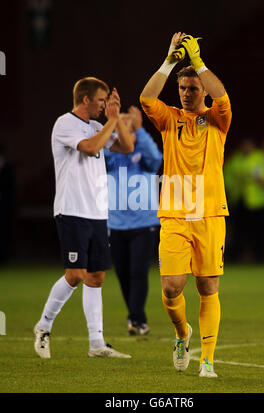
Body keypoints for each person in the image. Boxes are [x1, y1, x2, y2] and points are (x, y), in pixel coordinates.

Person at [140, 32, 232, 377]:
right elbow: (146, 97)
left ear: (203, 91)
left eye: (193, 88)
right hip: (175, 214)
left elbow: (222, 96)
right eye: (182, 88)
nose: (187, 93)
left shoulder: (218, 120)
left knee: (208, 287)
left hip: (209, 213)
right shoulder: (169, 119)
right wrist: (169, 61)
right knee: (170, 287)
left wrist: (198, 63)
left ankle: (207, 358)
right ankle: (182, 334)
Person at [34, 77, 134, 359]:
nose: (104, 106)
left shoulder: (97, 126)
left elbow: (126, 148)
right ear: (85, 99)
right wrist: (113, 122)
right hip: (72, 209)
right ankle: (43, 326)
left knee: (96, 276)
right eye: (101, 100)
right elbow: (90, 148)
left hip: (96, 212)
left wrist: (115, 120)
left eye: (106, 101)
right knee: (75, 274)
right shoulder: (65, 123)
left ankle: (96, 343)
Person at [104, 106, 162, 335]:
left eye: (130, 125)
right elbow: (101, 157)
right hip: (115, 223)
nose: (125, 129)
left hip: (144, 222)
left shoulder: (144, 150)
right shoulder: (112, 151)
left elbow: (156, 160)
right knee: (122, 273)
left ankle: (137, 319)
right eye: (122, 125)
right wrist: (115, 129)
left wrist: (141, 131)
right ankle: (135, 316)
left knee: (138, 271)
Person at [0, 143, 15, 264]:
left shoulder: (8, 168)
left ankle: (5, 258)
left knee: (4, 232)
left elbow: (11, 189)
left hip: (4, 207)